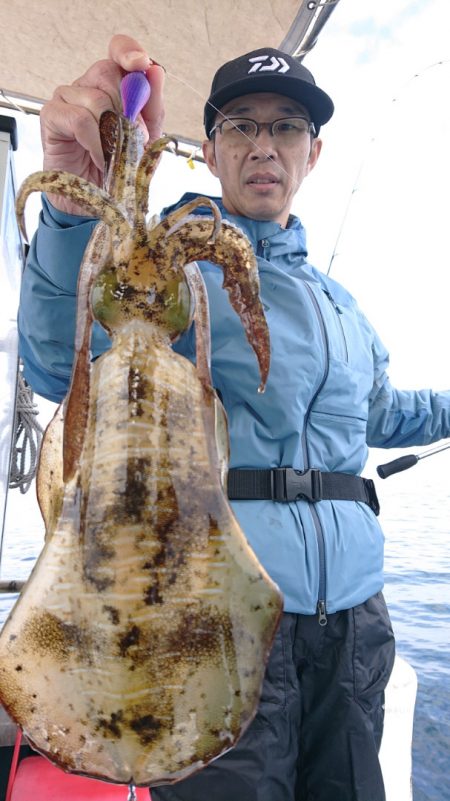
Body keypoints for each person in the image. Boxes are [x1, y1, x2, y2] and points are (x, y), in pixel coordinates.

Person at [17, 34, 450, 801]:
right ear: (209, 150)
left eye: (285, 126)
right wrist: (65, 209)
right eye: (241, 125)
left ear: (312, 154)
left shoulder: (341, 305)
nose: (264, 145)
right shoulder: (176, 278)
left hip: (355, 625)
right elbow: (61, 362)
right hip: (220, 618)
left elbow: (385, 412)